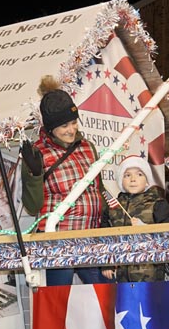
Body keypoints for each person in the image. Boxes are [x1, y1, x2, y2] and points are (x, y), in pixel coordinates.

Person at [20, 75, 109, 286]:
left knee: (104, 295)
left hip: (90, 236)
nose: (71, 129)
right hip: (59, 239)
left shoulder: (87, 147)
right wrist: (34, 175)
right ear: (51, 128)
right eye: (64, 126)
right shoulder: (38, 154)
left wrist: (106, 218)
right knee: (61, 298)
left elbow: (99, 188)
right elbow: (32, 206)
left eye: (73, 122)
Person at [99, 156, 169, 282]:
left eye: (139, 174)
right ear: (120, 180)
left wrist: (146, 229)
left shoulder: (158, 204)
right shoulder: (112, 208)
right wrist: (106, 263)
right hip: (121, 275)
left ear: (147, 181)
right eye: (127, 175)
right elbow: (105, 237)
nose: (133, 179)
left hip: (152, 274)